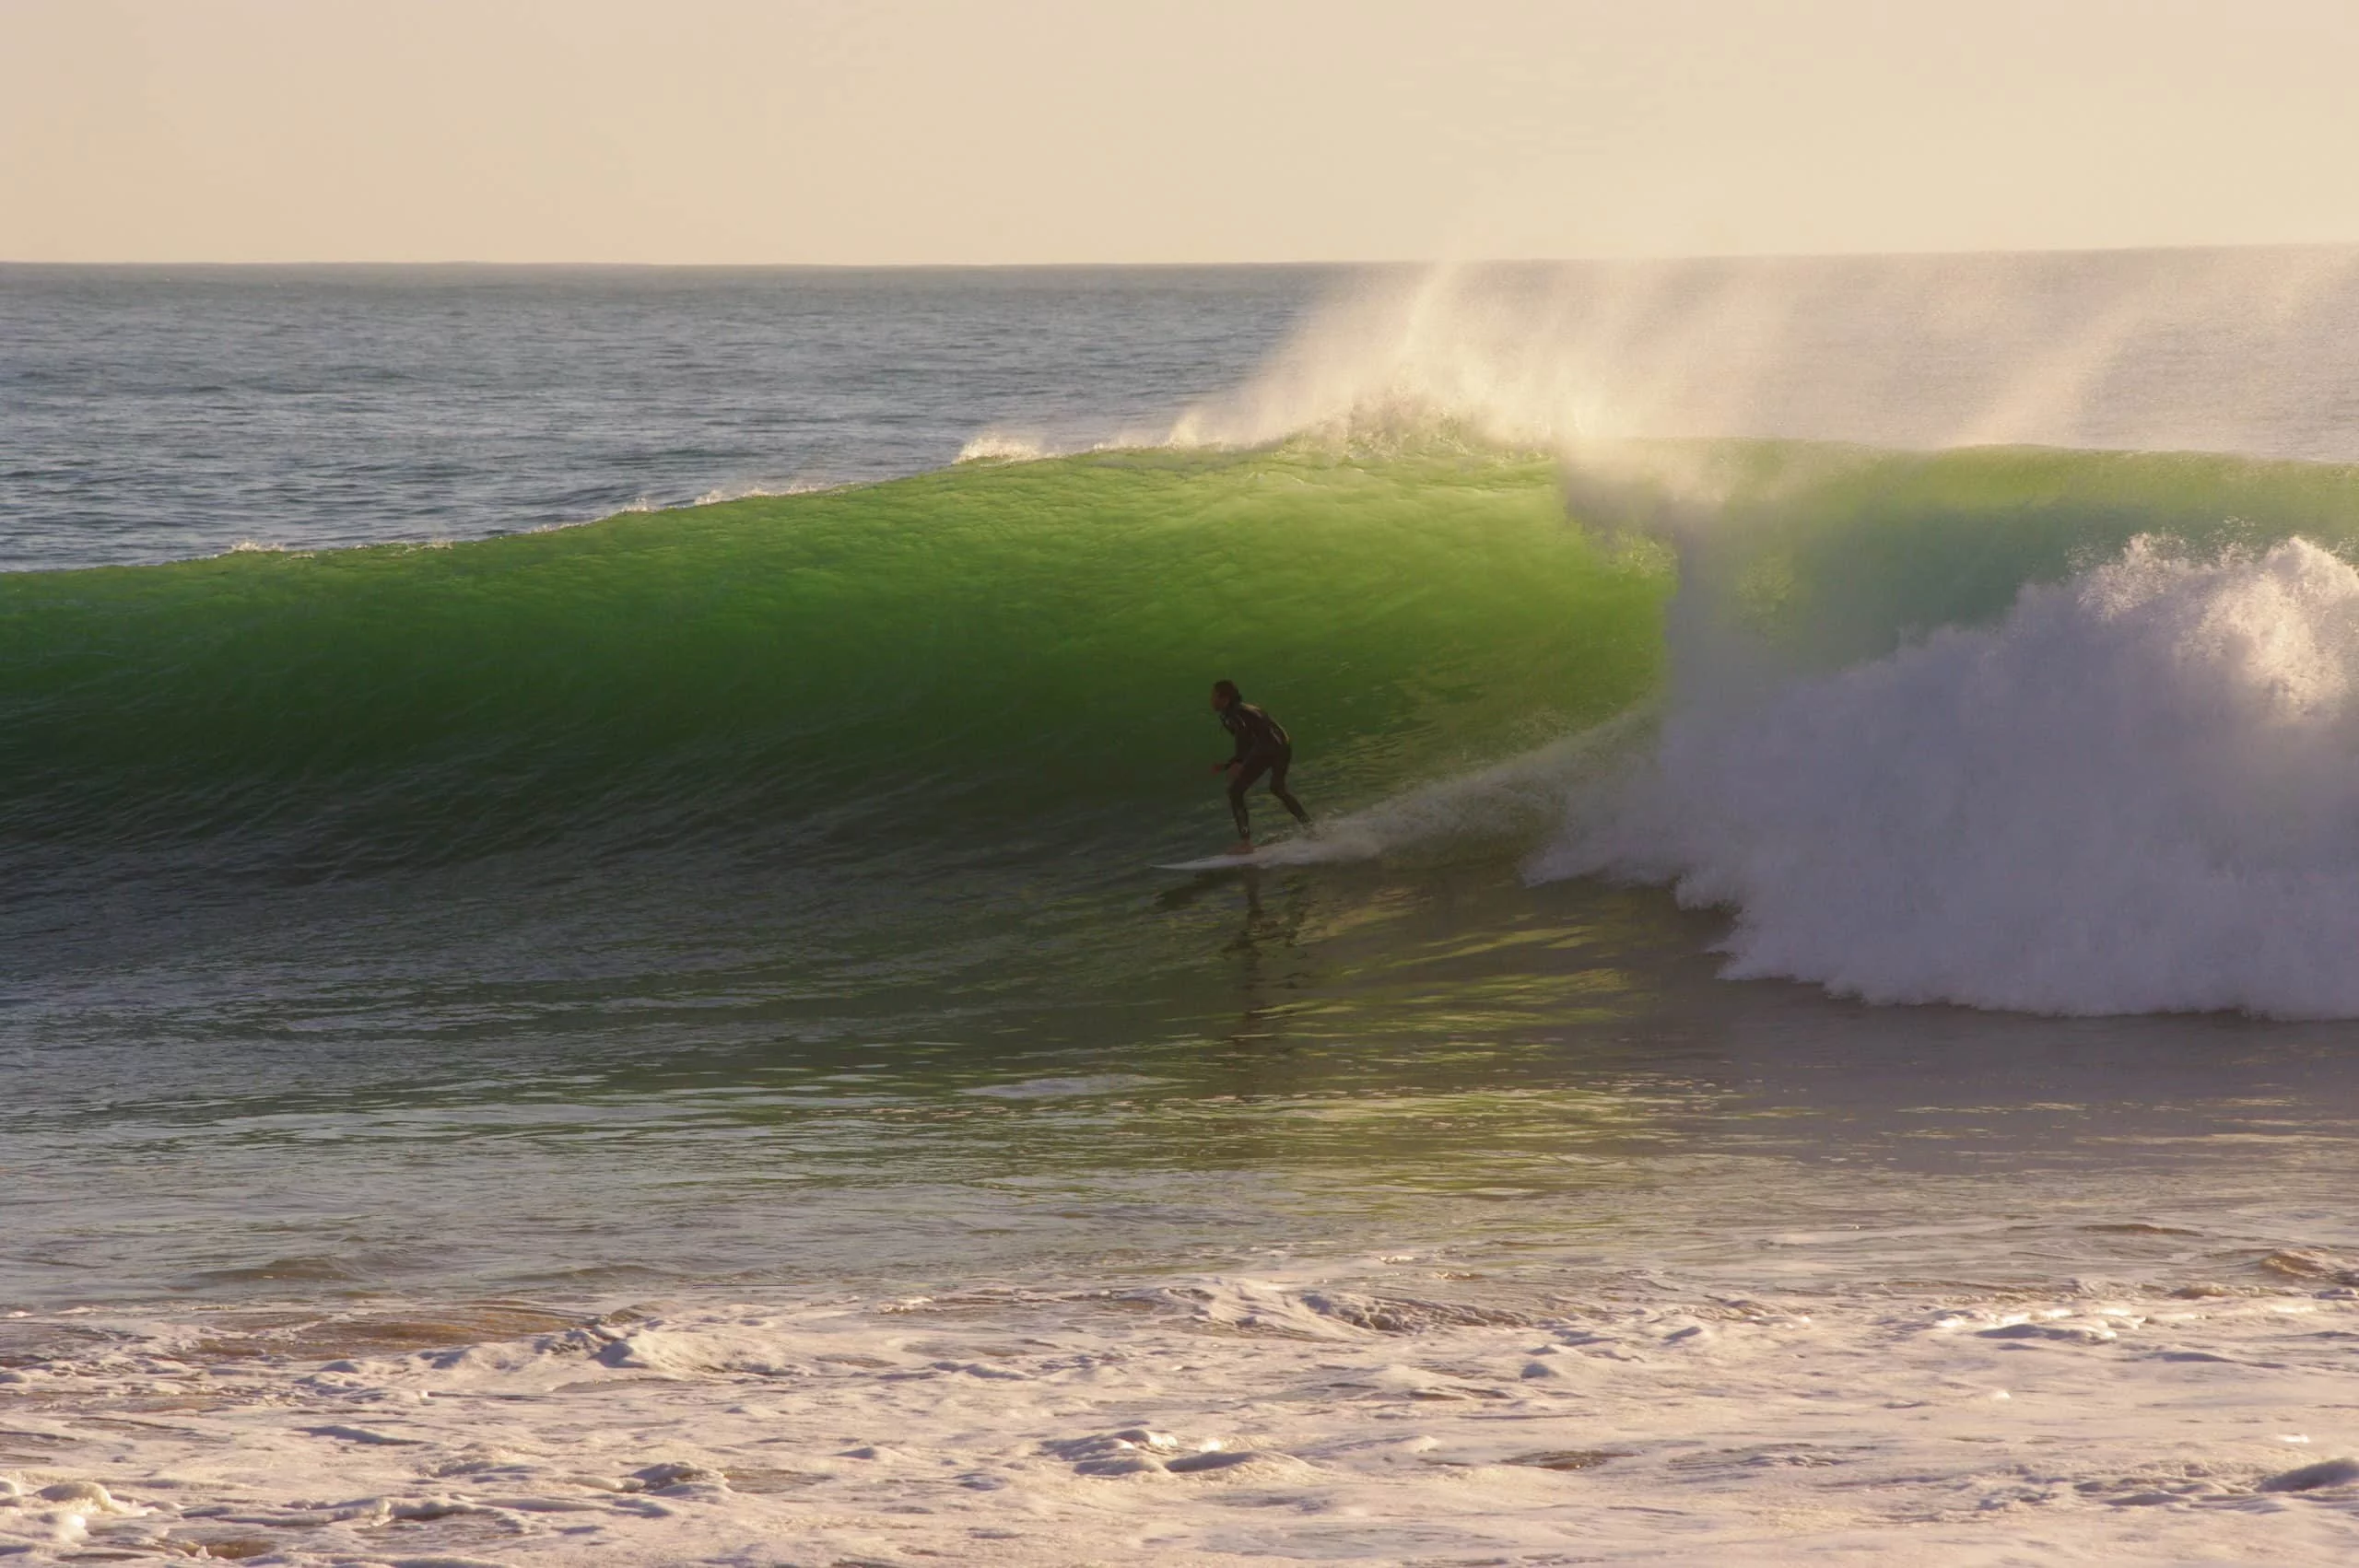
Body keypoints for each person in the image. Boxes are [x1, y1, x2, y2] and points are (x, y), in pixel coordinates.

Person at [1209, 680, 1310, 852]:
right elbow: (1252, 737)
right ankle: (1311, 829)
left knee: (1235, 791)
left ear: (1224, 699)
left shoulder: (1235, 713)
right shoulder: (1244, 709)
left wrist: (1238, 762)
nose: (1211, 700)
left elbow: (1244, 737)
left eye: (1214, 696)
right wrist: (1230, 764)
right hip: (1283, 744)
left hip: (1268, 748)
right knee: (1278, 788)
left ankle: (1245, 843)